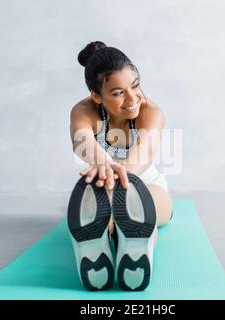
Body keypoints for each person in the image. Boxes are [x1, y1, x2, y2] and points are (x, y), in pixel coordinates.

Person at [67, 41, 172, 291]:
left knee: (147, 212)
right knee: (111, 206)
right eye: (118, 93)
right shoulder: (84, 111)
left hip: (145, 182)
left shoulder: (151, 111)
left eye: (135, 86)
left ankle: (131, 241)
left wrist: (117, 176)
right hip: (104, 183)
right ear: (96, 96)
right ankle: (106, 237)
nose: (132, 98)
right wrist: (102, 162)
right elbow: (81, 143)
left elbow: (144, 152)